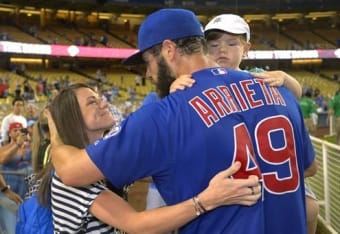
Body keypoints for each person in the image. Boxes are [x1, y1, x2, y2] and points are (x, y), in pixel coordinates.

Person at [49, 9, 316, 234]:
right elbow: (308, 166)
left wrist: (54, 130)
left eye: (148, 61)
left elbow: (71, 171)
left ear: (168, 50)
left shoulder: (163, 112)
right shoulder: (278, 90)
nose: (148, 72)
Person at [44, 83, 261, 233]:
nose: (103, 103)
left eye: (100, 97)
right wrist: (206, 201)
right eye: (92, 102)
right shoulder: (71, 177)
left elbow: (155, 168)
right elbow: (135, 224)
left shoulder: (102, 160)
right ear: (73, 117)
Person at [174, 13, 319, 234]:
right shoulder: (196, 79)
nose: (222, 50)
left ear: (247, 48)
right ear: (203, 48)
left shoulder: (259, 76)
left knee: (310, 207)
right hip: (223, 167)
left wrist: (285, 78)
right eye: (213, 44)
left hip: (265, 165)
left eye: (232, 43)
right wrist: (177, 84)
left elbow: (295, 93)